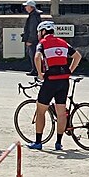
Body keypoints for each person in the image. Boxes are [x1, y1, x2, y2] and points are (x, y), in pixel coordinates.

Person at [30, 21, 82, 151]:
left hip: (51, 80)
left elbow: (37, 57)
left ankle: (38, 142)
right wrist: (70, 70)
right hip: (64, 81)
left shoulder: (42, 43)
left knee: (41, 110)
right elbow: (77, 56)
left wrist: (40, 73)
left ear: (42, 32)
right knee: (61, 113)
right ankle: (58, 143)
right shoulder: (63, 43)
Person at [22, 1, 41, 76]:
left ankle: (35, 70)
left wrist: (30, 40)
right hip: (35, 39)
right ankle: (35, 69)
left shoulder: (33, 16)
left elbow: (33, 29)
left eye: (27, 6)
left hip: (33, 40)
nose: (25, 7)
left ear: (31, 7)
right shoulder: (34, 15)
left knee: (33, 54)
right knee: (33, 54)